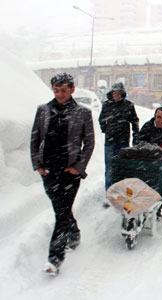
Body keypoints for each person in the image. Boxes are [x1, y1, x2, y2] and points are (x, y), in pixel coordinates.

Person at [30, 72, 95, 275]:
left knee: (61, 211)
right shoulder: (42, 110)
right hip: (48, 169)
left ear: (72, 90)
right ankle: (74, 233)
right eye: (56, 90)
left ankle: (55, 259)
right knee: (62, 209)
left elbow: (90, 142)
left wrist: (79, 167)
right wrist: (37, 165)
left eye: (64, 90)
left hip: (71, 170)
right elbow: (34, 139)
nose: (59, 94)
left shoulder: (82, 113)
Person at [98, 82, 139, 196]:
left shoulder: (128, 105)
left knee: (123, 167)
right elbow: (101, 119)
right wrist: (106, 129)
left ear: (122, 94)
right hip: (110, 141)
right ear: (111, 94)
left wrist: (136, 136)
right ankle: (109, 192)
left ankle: (121, 191)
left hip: (123, 141)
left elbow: (135, 121)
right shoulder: (106, 105)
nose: (116, 95)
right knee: (110, 168)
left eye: (119, 93)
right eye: (115, 93)